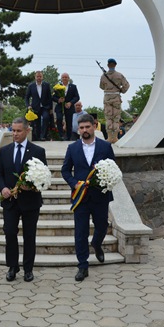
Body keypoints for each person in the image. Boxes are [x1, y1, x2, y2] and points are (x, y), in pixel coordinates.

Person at [61, 114, 116, 282]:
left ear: (94, 126)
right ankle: (82, 266)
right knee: (80, 232)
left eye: (87, 127)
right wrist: (73, 183)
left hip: (100, 196)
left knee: (101, 226)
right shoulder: (72, 148)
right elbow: (65, 170)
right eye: (82, 128)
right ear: (79, 129)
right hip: (81, 198)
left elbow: (113, 168)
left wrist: (107, 181)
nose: (84, 130)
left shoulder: (105, 147)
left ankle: (97, 244)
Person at [0, 117, 47, 283]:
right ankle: (12, 267)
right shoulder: (5, 150)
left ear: (27, 131)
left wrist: (31, 187)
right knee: (9, 233)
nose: (15, 134)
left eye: (18, 131)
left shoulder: (38, 151)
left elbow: (44, 177)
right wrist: (2, 188)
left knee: (29, 236)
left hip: (30, 202)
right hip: (10, 202)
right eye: (13, 130)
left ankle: (28, 269)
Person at [99, 58, 130, 143]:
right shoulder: (119, 75)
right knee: (116, 118)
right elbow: (126, 85)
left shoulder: (103, 76)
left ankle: (109, 137)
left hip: (107, 97)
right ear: (115, 65)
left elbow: (101, 86)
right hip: (116, 97)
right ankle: (115, 137)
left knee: (108, 118)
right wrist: (121, 90)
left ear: (108, 65)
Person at [25, 70, 52, 141]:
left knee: (46, 118)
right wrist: (28, 106)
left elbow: (49, 97)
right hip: (35, 107)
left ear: (42, 77)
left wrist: (51, 108)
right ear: (35, 77)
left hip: (45, 107)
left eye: (40, 76)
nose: (39, 78)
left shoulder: (46, 85)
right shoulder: (31, 86)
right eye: (37, 76)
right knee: (37, 123)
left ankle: (43, 136)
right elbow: (27, 97)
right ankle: (38, 137)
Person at [53, 72, 80, 141]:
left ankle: (68, 137)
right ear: (61, 78)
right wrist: (58, 100)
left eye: (66, 77)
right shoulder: (57, 87)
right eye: (63, 77)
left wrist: (70, 103)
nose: (64, 78)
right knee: (59, 119)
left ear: (68, 78)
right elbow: (53, 97)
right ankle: (61, 135)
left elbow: (77, 97)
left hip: (69, 107)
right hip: (60, 106)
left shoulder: (73, 87)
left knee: (69, 122)